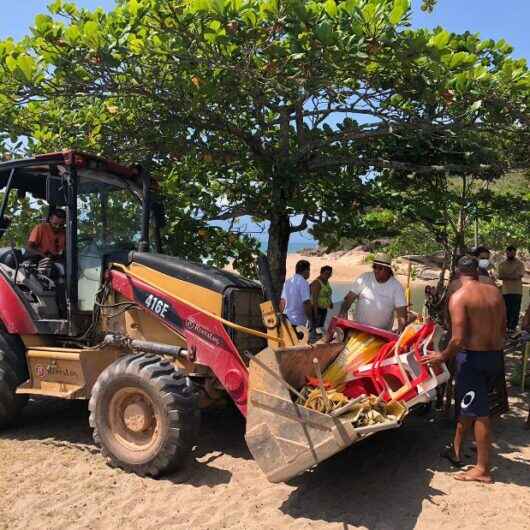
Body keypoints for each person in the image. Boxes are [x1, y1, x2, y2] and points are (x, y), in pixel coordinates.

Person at [422, 256, 506, 483]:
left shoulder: (459, 297)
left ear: (458, 274)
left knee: (480, 413)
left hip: (473, 360)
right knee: (472, 405)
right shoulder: (495, 293)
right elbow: (503, 327)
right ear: (476, 272)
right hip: (495, 357)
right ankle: (456, 451)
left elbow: (457, 339)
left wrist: (442, 356)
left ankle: (482, 469)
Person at [338, 253, 407, 333]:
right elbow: (349, 298)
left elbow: (401, 310)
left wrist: (400, 328)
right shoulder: (364, 278)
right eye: (374, 267)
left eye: (380, 268)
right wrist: (343, 312)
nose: (376, 271)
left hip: (382, 333)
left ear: (388, 269)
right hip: (359, 329)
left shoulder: (396, 286)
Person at [497, 246, 525, 332]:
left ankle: (513, 327)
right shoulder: (502, 264)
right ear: (506, 253)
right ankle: (507, 326)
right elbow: (500, 276)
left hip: (517, 291)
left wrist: (507, 276)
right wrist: (512, 275)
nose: (512, 254)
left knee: (516, 309)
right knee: (507, 309)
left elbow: (519, 276)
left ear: (515, 253)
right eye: (509, 253)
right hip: (506, 291)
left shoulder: (520, 264)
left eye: (513, 253)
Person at [280, 260, 312, 327]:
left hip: (287, 319)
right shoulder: (304, 282)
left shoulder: (287, 282)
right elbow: (306, 302)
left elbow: (283, 301)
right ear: (305, 270)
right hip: (298, 321)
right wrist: (311, 319)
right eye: (309, 270)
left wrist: (280, 316)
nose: (309, 273)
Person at [310, 266, 333, 335]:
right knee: (315, 329)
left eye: (329, 274)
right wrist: (315, 313)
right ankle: (312, 342)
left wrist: (330, 302)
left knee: (320, 328)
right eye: (326, 273)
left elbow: (327, 293)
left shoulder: (326, 281)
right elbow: (314, 299)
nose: (328, 276)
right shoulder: (317, 283)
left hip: (324, 309)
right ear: (321, 273)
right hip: (317, 309)